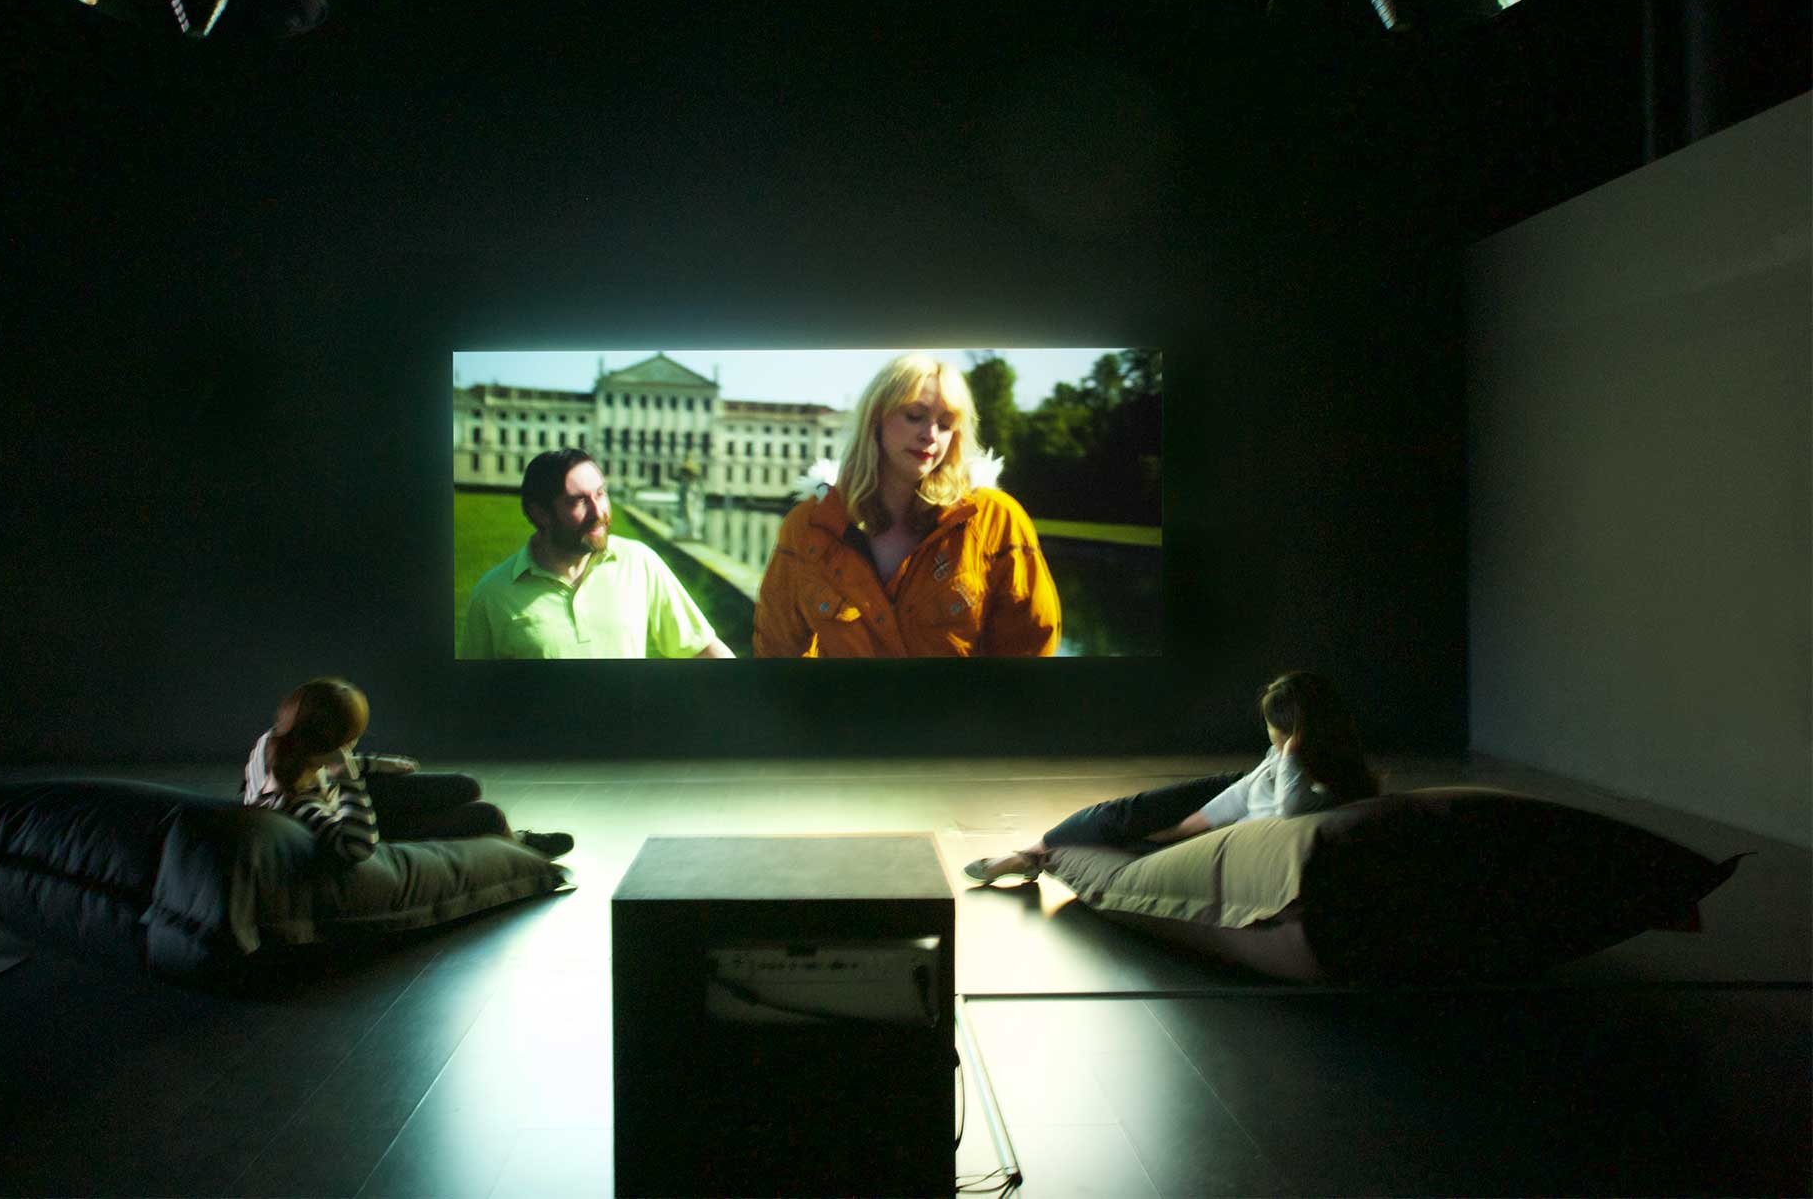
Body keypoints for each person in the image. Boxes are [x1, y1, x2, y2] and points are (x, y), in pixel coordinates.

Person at [753, 352, 1061, 657]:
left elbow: (1031, 648)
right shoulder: (810, 525)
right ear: (876, 420)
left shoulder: (996, 519)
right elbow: (777, 652)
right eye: (915, 416)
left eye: (945, 424)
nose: (930, 436)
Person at [963, 670, 1379, 882]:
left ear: (1299, 732)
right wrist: (1173, 830)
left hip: (1247, 823)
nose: (1271, 735)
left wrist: (1289, 756)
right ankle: (1032, 851)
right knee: (1126, 814)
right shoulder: (1276, 759)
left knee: (1138, 832)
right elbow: (1238, 796)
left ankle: (1031, 855)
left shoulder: (1320, 782)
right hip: (1242, 789)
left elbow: (1290, 816)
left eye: (1279, 729)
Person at [242, 676, 573, 862]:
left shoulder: (274, 741)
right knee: (488, 816)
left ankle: (512, 836)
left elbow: (317, 764)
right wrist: (350, 779)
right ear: (338, 747)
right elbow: (357, 846)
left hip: (342, 794)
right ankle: (521, 846)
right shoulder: (300, 803)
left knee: (466, 785)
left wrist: (373, 764)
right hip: (357, 818)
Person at [459, 449, 735, 659]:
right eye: (579, 500)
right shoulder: (492, 594)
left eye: (600, 494)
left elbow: (702, 647)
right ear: (539, 513)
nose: (598, 512)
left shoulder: (638, 562)